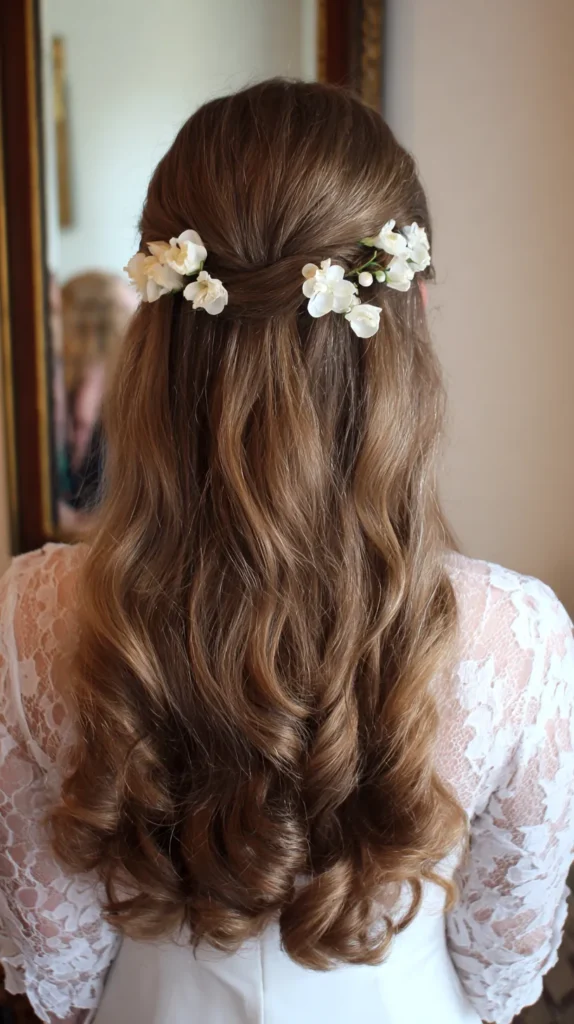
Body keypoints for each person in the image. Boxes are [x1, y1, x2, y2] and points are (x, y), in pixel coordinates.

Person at [0, 79, 572, 1024]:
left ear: (163, 313)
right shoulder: (517, 637)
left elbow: (59, 971)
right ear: (414, 309)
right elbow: (504, 971)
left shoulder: (34, 617)